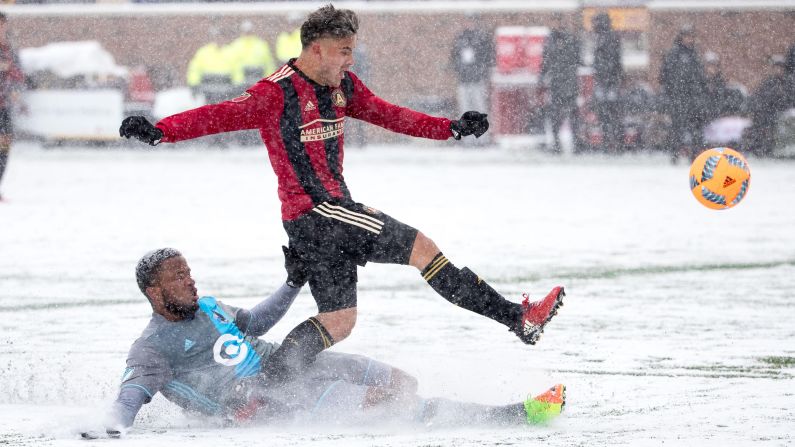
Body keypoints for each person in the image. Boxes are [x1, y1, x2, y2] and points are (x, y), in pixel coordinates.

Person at [119, 5, 565, 387]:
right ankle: (517, 318)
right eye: (343, 51)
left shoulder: (342, 87)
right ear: (316, 49)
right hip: (318, 211)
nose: (350, 60)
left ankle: (269, 388)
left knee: (338, 321)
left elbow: (391, 116)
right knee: (422, 249)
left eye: (352, 50)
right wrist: (160, 131)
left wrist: (449, 127)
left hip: (317, 219)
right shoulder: (275, 93)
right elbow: (218, 115)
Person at [80, 248, 566, 439]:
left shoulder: (208, 304)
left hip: (293, 365)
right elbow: (131, 395)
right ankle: (513, 416)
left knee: (401, 382)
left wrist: (292, 282)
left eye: (188, 272)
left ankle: (501, 415)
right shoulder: (151, 349)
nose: (190, 281)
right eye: (177, 278)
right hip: (264, 402)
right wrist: (112, 426)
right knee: (393, 406)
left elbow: (257, 322)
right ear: (154, 292)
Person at [659, 27, 708, 163]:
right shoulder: (674, 54)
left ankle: (694, 156)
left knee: (695, 129)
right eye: (686, 36)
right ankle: (675, 155)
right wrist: (672, 93)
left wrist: (700, 94)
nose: (689, 39)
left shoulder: (695, 55)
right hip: (678, 98)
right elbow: (664, 76)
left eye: (691, 36)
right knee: (677, 128)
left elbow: (701, 77)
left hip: (693, 98)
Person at [541, 13, 582, 153]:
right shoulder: (550, 39)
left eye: (557, 21)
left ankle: (577, 142)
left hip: (569, 82)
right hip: (557, 83)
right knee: (556, 115)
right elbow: (545, 61)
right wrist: (542, 76)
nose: (555, 25)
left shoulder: (570, 39)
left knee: (572, 114)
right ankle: (557, 143)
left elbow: (576, 58)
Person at [450, 15, 494, 145]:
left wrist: (480, 71)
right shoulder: (460, 38)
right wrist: (460, 69)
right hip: (463, 80)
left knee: (479, 108)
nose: (469, 23)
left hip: (477, 80)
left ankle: (482, 138)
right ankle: (468, 139)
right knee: (465, 109)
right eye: (467, 21)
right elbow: (454, 57)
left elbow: (488, 57)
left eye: (472, 21)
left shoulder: (482, 38)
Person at [744, 55, 791, 157]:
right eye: (776, 67)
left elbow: (787, 100)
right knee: (758, 123)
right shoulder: (767, 83)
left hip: (781, 113)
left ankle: (765, 148)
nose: (778, 70)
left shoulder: (788, 84)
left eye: (780, 67)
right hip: (766, 112)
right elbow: (758, 97)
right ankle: (758, 148)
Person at [0, 13, 24, 202]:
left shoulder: (8, 50)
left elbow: (18, 75)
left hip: (3, 107)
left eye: (3, 25)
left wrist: (14, 84)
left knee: (4, 147)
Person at [227, 20, 277, 87]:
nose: (248, 33)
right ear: (242, 31)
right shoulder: (236, 45)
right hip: (240, 82)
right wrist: (235, 81)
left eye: (249, 31)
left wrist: (269, 81)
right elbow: (231, 64)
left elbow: (268, 64)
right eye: (246, 31)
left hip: (258, 81)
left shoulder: (261, 44)